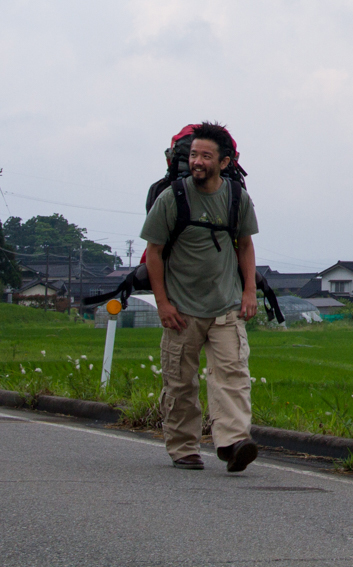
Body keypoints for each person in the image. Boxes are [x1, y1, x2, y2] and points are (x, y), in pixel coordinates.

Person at [140, 121, 260, 472]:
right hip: (181, 309)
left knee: (233, 376)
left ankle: (233, 442)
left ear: (224, 163)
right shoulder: (172, 197)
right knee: (179, 382)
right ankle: (183, 447)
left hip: (225, 305)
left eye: (206, 156)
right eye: (193, 154)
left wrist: (249, 291)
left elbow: (246, 245)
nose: (197, 162)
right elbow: (154, 252)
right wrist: (163, 304)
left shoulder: (237, 198)